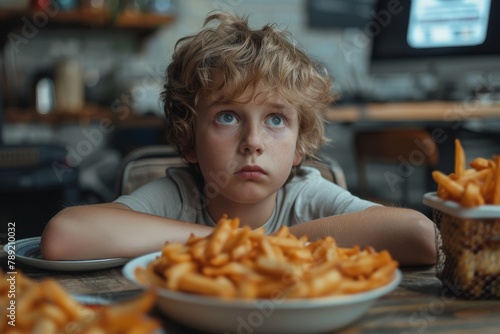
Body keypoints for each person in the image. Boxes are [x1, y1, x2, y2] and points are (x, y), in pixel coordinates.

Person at [41, 12, 437, 266]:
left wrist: (266, 245)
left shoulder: (307, 196)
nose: (253, 141)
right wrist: (230, 242)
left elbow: (421, 236)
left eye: (276, 120)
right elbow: (64, 236)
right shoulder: (180, 196)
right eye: (227, 117)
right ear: (189, 140)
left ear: (301, 145)